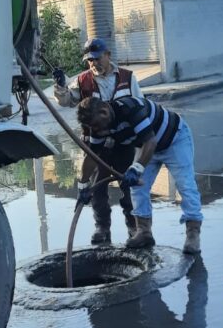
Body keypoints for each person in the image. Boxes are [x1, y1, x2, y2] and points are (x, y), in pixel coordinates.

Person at [76, 96, 203, 254]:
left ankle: (193, 233)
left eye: (95, 125)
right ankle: (144, 232)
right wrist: (82, 184)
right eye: (91, 127)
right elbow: (91, 157)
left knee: (185, 185)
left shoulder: (131, 108)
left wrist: (137, 167)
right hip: (147, 147)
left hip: (174, 140)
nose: (96, 130)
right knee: (136, 188)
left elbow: (151, 141)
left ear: (104, 112)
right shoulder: (97, 126)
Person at [53, 38, 143, 244]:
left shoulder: (128, 78)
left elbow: (141, 105)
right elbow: (67, 101)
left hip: (123, 144)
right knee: (97, 189)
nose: (94, 63)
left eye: (97, 58)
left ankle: (134, 227)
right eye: (90, 60)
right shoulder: (82, 80)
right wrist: (60, 86)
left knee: (128, 185)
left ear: (108, 55)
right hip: (95, 146)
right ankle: (102, 227)